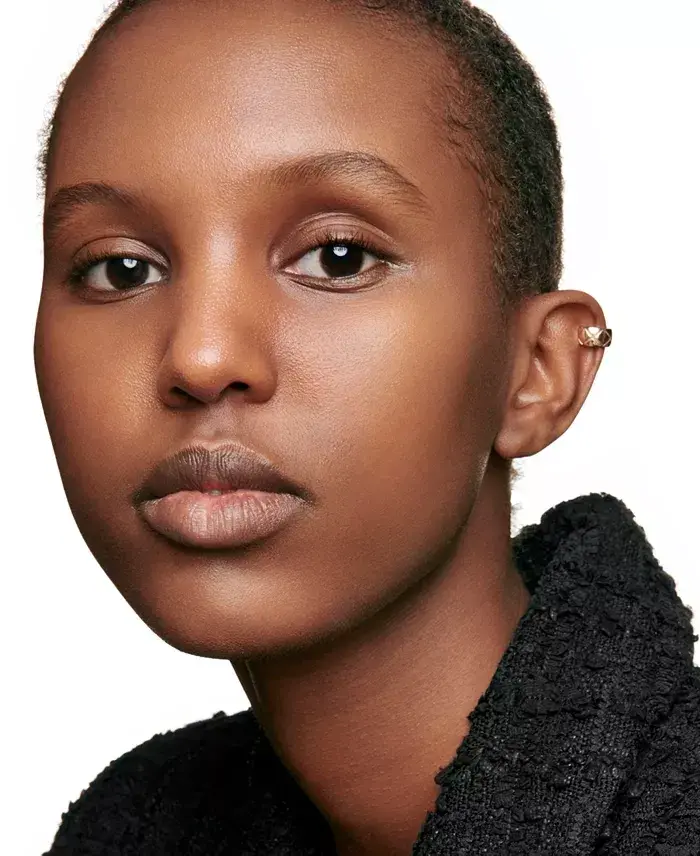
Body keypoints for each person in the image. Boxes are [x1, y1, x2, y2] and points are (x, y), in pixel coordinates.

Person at [34, 0, 699, 854]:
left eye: (337, 257)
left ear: (537, 372)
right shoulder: (127, 830)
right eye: (121, 269)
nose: (200, 357)